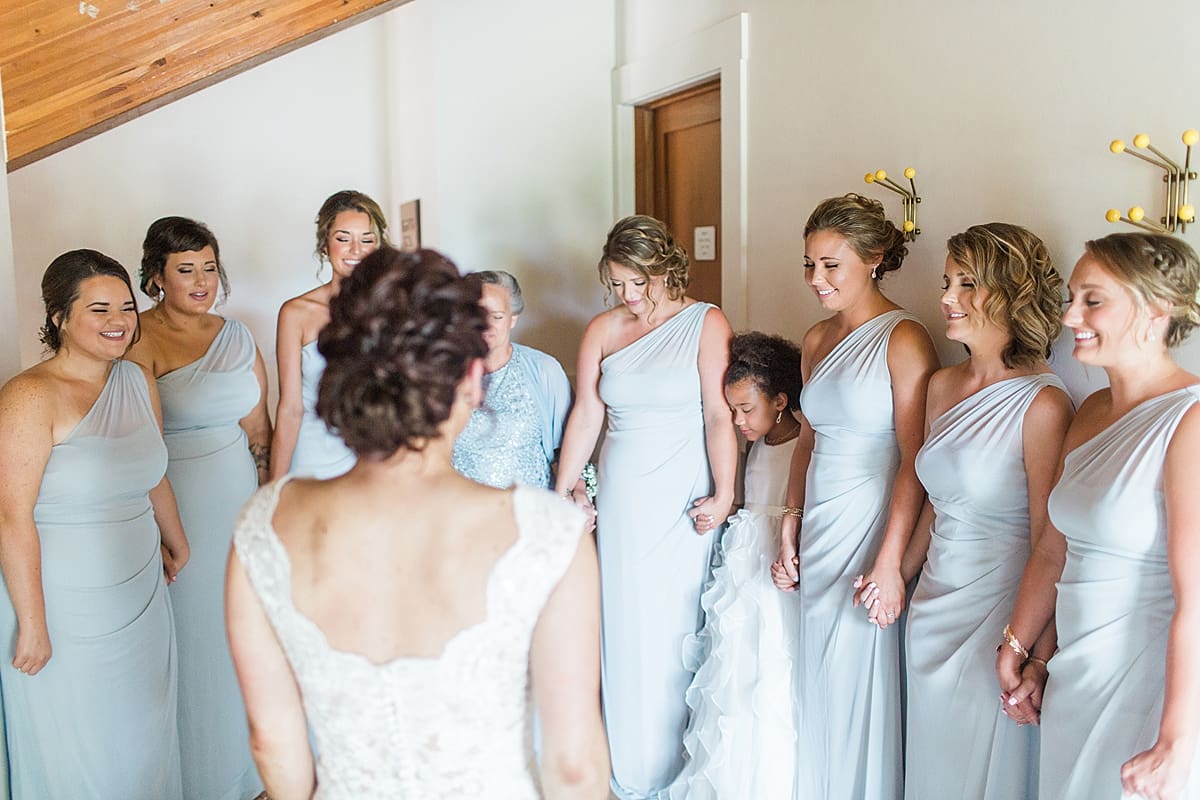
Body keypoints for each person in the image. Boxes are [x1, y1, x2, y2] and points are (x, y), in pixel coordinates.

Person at [227, 247, 609, 799]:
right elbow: (573, 766)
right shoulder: (549, 536)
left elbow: (271, 742)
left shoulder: (266, 525)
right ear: (473, 378)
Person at [998, 232, 1200, 799]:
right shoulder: (1089, 412)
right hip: (1073, 682)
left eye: (1093, 300)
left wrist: (1176, 741)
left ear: (1157, 310)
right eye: (1072, 298)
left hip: (1147, 691)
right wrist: (1025, 649)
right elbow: (1053, 549)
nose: (1070, 317)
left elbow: (1197, 600)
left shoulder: (1189, 422)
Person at [555, 214, 737, 798]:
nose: (629, 295)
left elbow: (718, 414)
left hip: (682, 496)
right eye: (618, 284)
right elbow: (587, 412)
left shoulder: (706, 323)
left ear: (666, 269)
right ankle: (629, 767)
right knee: (625, 620)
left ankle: (680, 767)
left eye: (639, 282)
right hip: (624, 500)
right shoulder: (602, 330)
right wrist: (564, 489)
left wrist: (725, 491)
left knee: (677, 621)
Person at [0, 250, 189, 798]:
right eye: (100, 309)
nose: (119, 321)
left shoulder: (137, 380)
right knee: (82, 748)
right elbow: (11, 516)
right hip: (62, 603)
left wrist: (176, 539)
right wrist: (33, 623)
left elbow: (152, 468)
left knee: (143, 736)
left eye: (126, 307)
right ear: (59, 317)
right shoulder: (28, 395)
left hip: (140, 591)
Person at [894, 223, 1072, 799]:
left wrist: (1035, 651)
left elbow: (1051, 542)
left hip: (998, 619)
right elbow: (936, 502)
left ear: (1011, 292)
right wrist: (896, 575)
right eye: (947, 282)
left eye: (967, 283)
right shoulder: (941, 385)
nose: (947, 297)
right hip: (930, 610)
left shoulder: (1043, 404)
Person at [771, 193, 939, 798]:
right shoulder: (816, 339)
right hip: (820, 523)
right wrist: (790, 520)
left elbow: (916, 460)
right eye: (809, 264)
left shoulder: (905, 338)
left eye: (830, 265)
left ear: (873, 260)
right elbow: (808, 439)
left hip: (872, 524)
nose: (815, 279)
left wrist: (891, 562)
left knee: (859, 668)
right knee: (815, 671)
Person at [126, 216, 270, 800]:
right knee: (194, 635)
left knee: (242, 628)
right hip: (178, 503)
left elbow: (259, 429)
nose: (202, 281)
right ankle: (201, 780)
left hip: (239, 498)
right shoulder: (138, 338)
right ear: (157, 277)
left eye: (209, 268)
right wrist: (164, 528)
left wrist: (266, 503)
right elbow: (140, 440)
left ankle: (249, 771)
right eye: (186, 270)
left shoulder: (237, 335)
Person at [669, 331, 803, 799]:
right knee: (735, 668)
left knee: (772, 667)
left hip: (775, 565)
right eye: (732, 411)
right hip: (743, 562)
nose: (739, 421)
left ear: (780, 401)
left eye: (747, 409)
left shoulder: (802, 444)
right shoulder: (757, 444)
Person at [271, 189, 388, 479]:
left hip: (373, 460)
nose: (356, 250)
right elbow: (290, 408)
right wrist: (274, 488)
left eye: (366, 240)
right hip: (313, 461)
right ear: (325, 243)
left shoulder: (392, 311)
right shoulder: (296, 313)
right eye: (343, 238)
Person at [453, 270, 574, 490]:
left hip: (529, 506)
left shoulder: (544, 370)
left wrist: (577, 490)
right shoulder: (444, 372)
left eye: (497, 316)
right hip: (461, 506)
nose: (486, 325)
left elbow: (571, 450)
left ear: (513, 319)